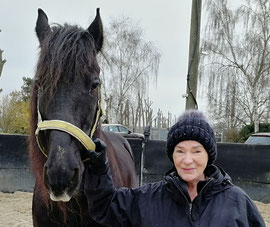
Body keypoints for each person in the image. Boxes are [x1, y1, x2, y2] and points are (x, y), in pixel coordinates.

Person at [84, 109, 266, 227]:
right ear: (172, 155)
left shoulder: (237, 202)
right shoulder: (147, 200)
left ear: (208, 155)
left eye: (196, 151)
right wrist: (99, 169)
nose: (187, 160)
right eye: (180, 151)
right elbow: (105, 206)